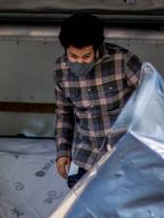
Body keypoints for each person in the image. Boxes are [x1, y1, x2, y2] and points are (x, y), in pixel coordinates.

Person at [54, 13, 144, 188]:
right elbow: (64, 114)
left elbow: (153, 102)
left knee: (115, 208)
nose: (79, 61)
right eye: (73, 56)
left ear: (97, 47)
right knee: (75, 201)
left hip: (122, 156)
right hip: (83, 157)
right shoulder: (60, 69)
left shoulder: (124, 61)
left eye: (86, 56)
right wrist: (62, 151)